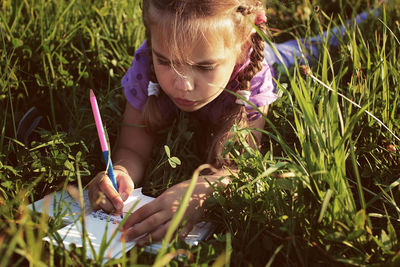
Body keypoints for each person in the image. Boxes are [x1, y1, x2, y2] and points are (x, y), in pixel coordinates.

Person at [87, 0, 375, 245]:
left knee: (308, 48)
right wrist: (121, 172)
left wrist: (202, 192)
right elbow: (133, 148)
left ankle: (371, 17)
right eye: (166, 61)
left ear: (241, 46)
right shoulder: (147, 63)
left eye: (205, 66)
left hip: (259, 65)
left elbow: (237, 169)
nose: (182, 84)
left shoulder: (253, 80)